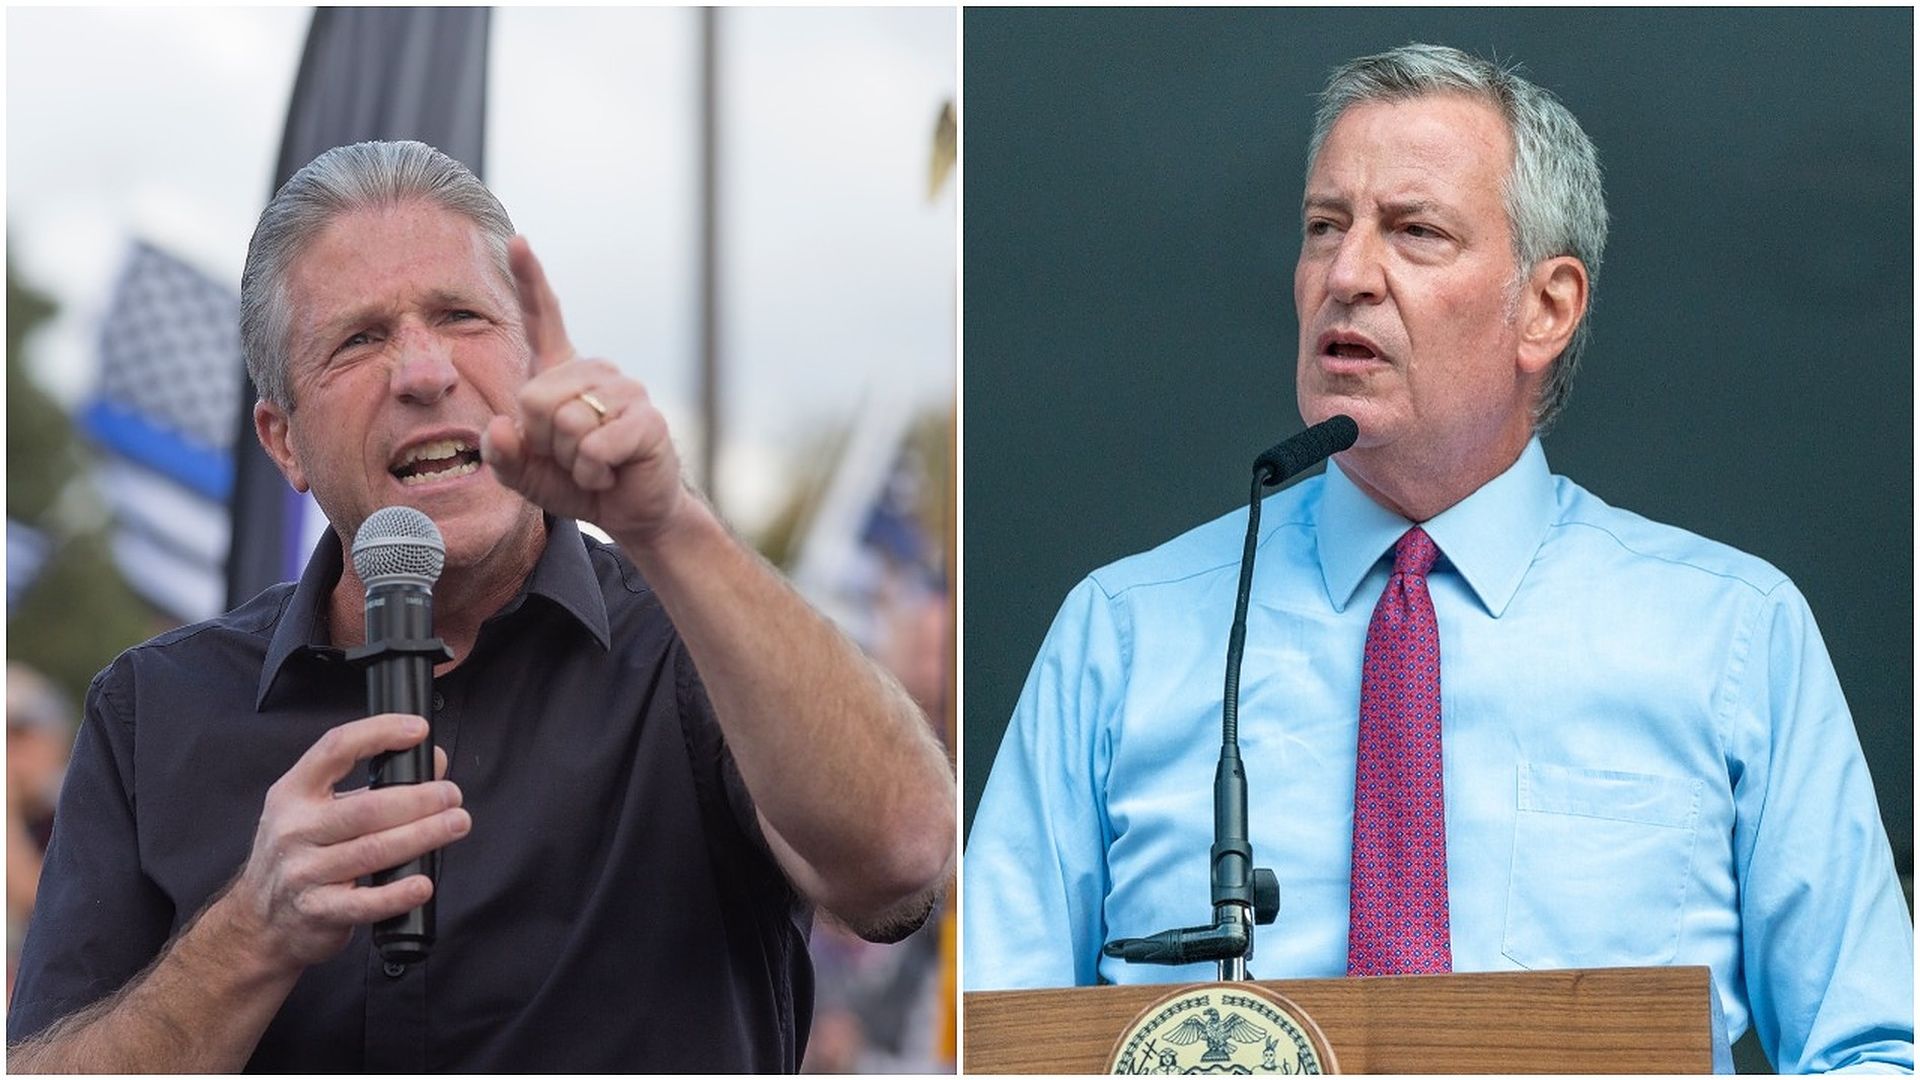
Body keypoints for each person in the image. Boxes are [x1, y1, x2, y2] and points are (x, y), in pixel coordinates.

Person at [964, 43, 1913, 1073]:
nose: (1346, 275)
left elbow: (1873, 1049)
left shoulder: (1732, 635)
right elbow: (983, 1041)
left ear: (1545, 307)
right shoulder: (1123, 633)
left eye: (1414, 233)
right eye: (1324, 227)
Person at [7, 140, 956, 1072]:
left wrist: (669, 525)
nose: (422, 372)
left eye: (461, 316)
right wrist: (251, 931)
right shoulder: (154, 711)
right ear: (283, 439)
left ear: (534, 357)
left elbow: (905, 860)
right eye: (360, 338)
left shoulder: (693, 655)